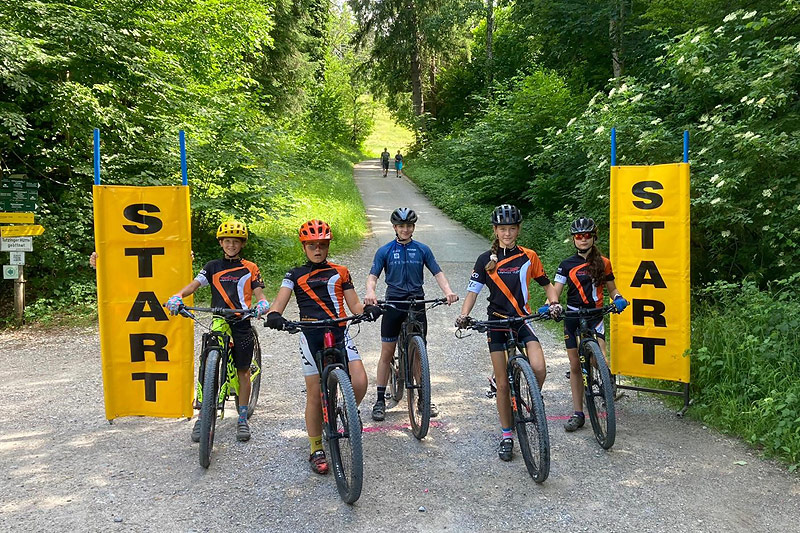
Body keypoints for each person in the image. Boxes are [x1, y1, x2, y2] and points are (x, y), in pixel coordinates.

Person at [264, 220, 382, 475]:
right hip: (310, 335)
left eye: (322, 245)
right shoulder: (293, 274)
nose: (317, 250)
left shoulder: (341, 271)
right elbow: (279, 302)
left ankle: (347, 409)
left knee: (359, 381)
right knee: (314, 393)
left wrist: (368, 310)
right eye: (312, 245)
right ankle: (316, 447)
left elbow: (354, 307)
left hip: (339, 330)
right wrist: (275, 315)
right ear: (304, 247)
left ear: (328, 246)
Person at [455, 204, 559, 462]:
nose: (507, 234)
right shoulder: (484, 260)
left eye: (512, 229)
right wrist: (464, 315)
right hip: (497, 322)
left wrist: (554, 303)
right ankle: (506, 435)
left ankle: (532, 397)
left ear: (518, 230)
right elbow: (473, 291)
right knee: (502, 384)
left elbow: (546, 285)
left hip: (522, 319)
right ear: (495, 230)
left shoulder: (529, 256)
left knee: (539, 368)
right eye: (503, 229)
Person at [165, 220, 270, 443]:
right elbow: (194, 285)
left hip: (241, 320)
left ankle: (242, 417)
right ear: (221, 243)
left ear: (241, 245)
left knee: (243, 370)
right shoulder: (212, 266)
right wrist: (178, 296)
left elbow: (259, 293)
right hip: (218, 319)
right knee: (206, 366)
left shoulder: (250, 267)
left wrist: (262, 303)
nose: (231, 245)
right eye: (227, 241)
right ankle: (203, 416)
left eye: (236, 242)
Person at [363, 207, 459, 422]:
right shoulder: (385, 251)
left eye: (409, 226)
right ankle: (379, 399)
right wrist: (371, 292)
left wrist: (448, 292)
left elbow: (437, 272)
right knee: (387, 353)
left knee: (418, 353)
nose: (405, 229)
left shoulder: (422, 249)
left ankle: (424, 397)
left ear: (413, 227)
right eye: (401, 226)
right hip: (394, 303)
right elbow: (373, 276)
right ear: (395, 228)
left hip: (417, 303)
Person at [550, 216, 628, 432]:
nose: (583, 239)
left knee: (599, 358)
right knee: (575, 366)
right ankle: (578, 413)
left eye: (586, 236)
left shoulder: (604, 262)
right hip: (573, 318)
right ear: (574, 239)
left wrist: (619, 298)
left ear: (593, 237)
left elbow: (612, 289)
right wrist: (551, 304)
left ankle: (606, 377)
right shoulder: (566, 265)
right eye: (578, 236)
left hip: (595, 315)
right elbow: (556, 290)